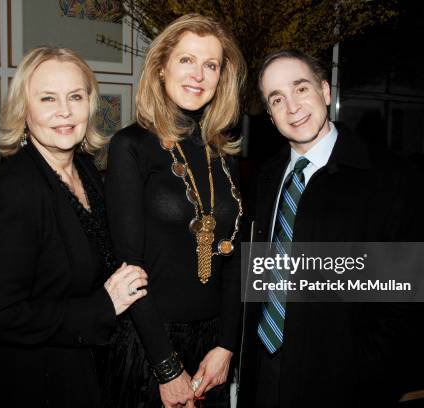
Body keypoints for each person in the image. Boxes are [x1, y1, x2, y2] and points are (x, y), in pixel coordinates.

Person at [238, 50, 424, 407]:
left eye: (301, 89)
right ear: (270, 116)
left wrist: (361, 378)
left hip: (341, 386)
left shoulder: (392, 181)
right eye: (277, 99)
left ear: (326, 91)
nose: (292, 107)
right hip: (264, 371)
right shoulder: (265, 179)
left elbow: (410, 307)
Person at [0, 46, 147, 408]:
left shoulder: (86, 170)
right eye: (48, 98)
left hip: (84, 368)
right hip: (34, 381)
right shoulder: (15, 189)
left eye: (75, 97)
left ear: (89, 105)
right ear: (24, 110)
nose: (64, 111)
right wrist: (101, 307)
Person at [103, 14, 246, 408]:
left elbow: (234, 258)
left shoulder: (226, 153)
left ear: (222, 78)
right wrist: (167, 368)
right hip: (152, 342)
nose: (198, 74)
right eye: (186, 60)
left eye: (211, 65)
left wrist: (226, 347)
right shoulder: (130, 146)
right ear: (162, 66)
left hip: (213, 347)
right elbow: (127, 268)